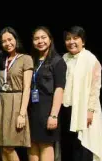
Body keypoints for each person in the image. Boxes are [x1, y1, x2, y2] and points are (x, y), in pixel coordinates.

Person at [60, 26, 102, 161]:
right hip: (66, 109)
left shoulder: (91, 59)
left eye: (75, 38)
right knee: (67, 146)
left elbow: (95, 88)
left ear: (82, 41)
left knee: (82, 147)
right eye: (68, 39)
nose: (71, 41)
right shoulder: (64, 58)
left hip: (83, 110)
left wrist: (90, 110)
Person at [26, 26, 66, 161]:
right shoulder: (31, 60)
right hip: (31, 110)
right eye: (36, 38)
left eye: (43, 38)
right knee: (31, 144)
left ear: (50, 40)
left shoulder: (57, 61)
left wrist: (53, 115)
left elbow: (60, 89)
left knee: (45, 145)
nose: (40, 41)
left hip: (48, 111)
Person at [0, 27, 33, 161]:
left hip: (16, 103)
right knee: (2, 146)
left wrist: (22, 114)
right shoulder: (0, 59)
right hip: (2, 103)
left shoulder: (26, 59)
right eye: (4, 41)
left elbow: (27, 88)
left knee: (8, 147)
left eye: (10, 39)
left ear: (16, 39)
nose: (7, 43)